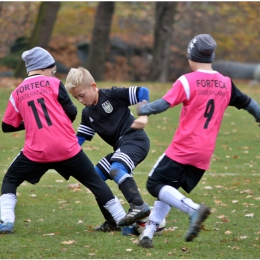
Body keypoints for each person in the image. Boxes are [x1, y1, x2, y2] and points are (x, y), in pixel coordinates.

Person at [133, 34, 260, 248]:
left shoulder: (187, 81)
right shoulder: (226, 83)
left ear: (191, 56)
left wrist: (143, 108)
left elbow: (163, 104)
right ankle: (148, 234)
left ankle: (193, 210)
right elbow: (249, 103)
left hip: (184, 147)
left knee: (155, 184)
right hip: (204, 153)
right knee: (169, 188)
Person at [0, 47, 126, 234]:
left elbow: (7, 126)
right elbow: (72, 111)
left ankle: (6, 221)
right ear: (44, 68)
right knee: (95, 182)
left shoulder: (17, 93)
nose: (53, 72)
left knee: (10, 180)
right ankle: (123, 221)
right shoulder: (53, 83)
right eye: (52, 69)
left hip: (36, 151)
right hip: (67, 148)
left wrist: (34, 123)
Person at [65, 67, 151, 232]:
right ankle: (112, 222)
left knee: (116, 168)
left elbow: (142, 91)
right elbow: (79, 140)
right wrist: (63, 154)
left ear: (93, 86)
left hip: (136, 141)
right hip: (122, 147)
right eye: (76, 98)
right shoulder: (88, 113)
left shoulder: (112, 95)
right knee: (95, 178)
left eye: (82, 95)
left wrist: (143, 115)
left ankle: (138, 205)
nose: (80, 100)